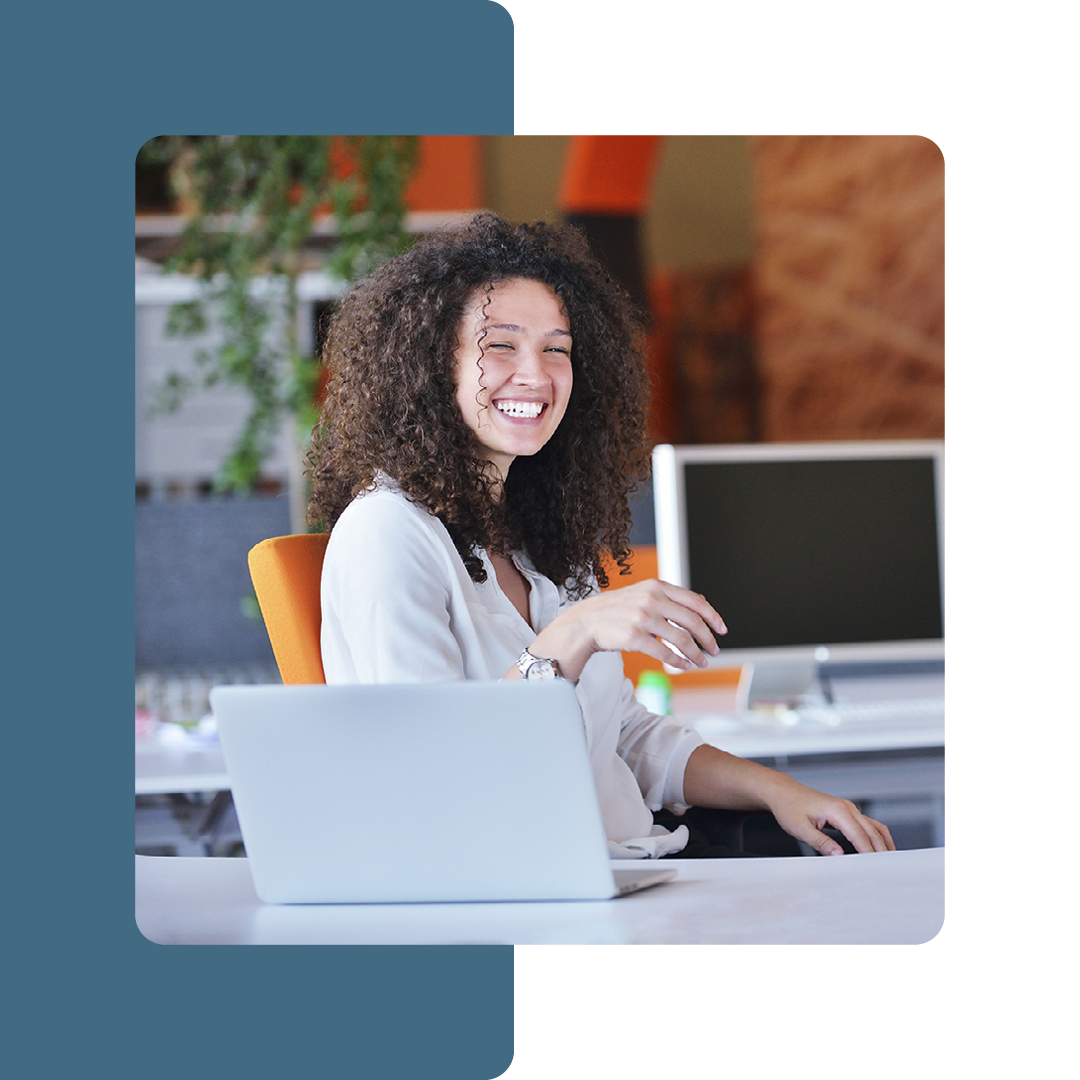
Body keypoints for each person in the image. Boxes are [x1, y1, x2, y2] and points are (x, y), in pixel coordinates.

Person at [308, 212, 894, 859]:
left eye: (556, 348)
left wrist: (779, 791)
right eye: (500, 345)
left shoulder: (537, 537)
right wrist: (572, 636)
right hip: (524, 885)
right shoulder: (388, 531)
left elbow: (627, 736)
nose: (536, 374)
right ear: (428, 361)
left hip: (634, 862)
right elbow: (441, 775)